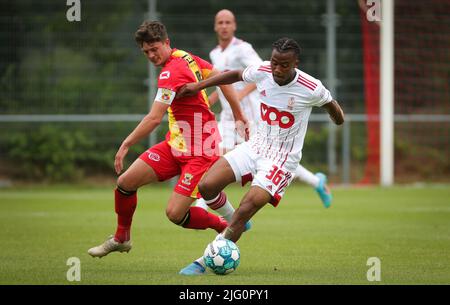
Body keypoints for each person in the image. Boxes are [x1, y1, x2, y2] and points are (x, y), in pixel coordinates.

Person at [178, 37, 345, 275]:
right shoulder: (263, 70)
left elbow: (331, 104)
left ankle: (204, 261)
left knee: (246, 206)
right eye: (275, 62)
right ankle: (236, 222)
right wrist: (198, 86)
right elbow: (234, 74)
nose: (277, 69)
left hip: (282, 160)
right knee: (206, 186)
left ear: (296, 63)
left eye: (284, 65)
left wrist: (337, 118)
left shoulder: (311, 87)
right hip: (255, 145)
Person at [87, 21, 250, 258]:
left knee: (175, 214)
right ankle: (122, 238)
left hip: (200, 150)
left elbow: (154, 118)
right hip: (176, 144)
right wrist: (238, 113)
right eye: (146, 52)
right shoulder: (185, 56)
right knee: (125, 183)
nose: (152, 55)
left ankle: (226, 226)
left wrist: (126, 144)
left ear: (166, 43)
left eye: (155, 49)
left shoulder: (170, 72)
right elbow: (220, 76)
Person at [197, 9, 333, 213]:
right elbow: (222, 85)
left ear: (234, 25)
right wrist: (211, 100)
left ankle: (203, 206)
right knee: (217, 154)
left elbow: (263, 75)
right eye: (220, 22)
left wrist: (239, 96)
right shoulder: (215, 53)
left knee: (270, 158)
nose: (224, 26)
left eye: (228, 22)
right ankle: (316, 181)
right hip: (228, 115)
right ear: (215, 26)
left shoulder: (243, 49)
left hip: (251, 114)